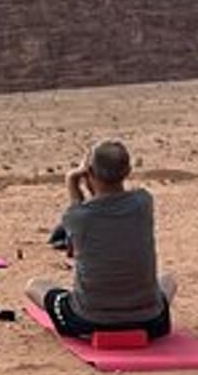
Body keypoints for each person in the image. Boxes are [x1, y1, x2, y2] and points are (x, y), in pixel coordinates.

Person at [25, 140, 175, 339]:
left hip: (88, 320)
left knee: (34, 286)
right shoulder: (144, 202)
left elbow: (73, 246)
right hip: (151, 321)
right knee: (169, 280)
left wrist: (72, 183)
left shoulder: (78, 217)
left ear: (89, 172)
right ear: (128, 170)